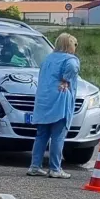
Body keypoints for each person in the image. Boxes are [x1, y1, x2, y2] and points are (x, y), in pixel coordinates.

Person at [28, 33, 80, 179]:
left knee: (41, 135)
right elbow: (72, 67)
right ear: (70, 45)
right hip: (60, 98)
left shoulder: (48, 58)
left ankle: (35, 166)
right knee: (58, 135)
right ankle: (55, 168)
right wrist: (66, 79)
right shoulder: (70, 59)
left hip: (44, 99)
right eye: (74, 44)